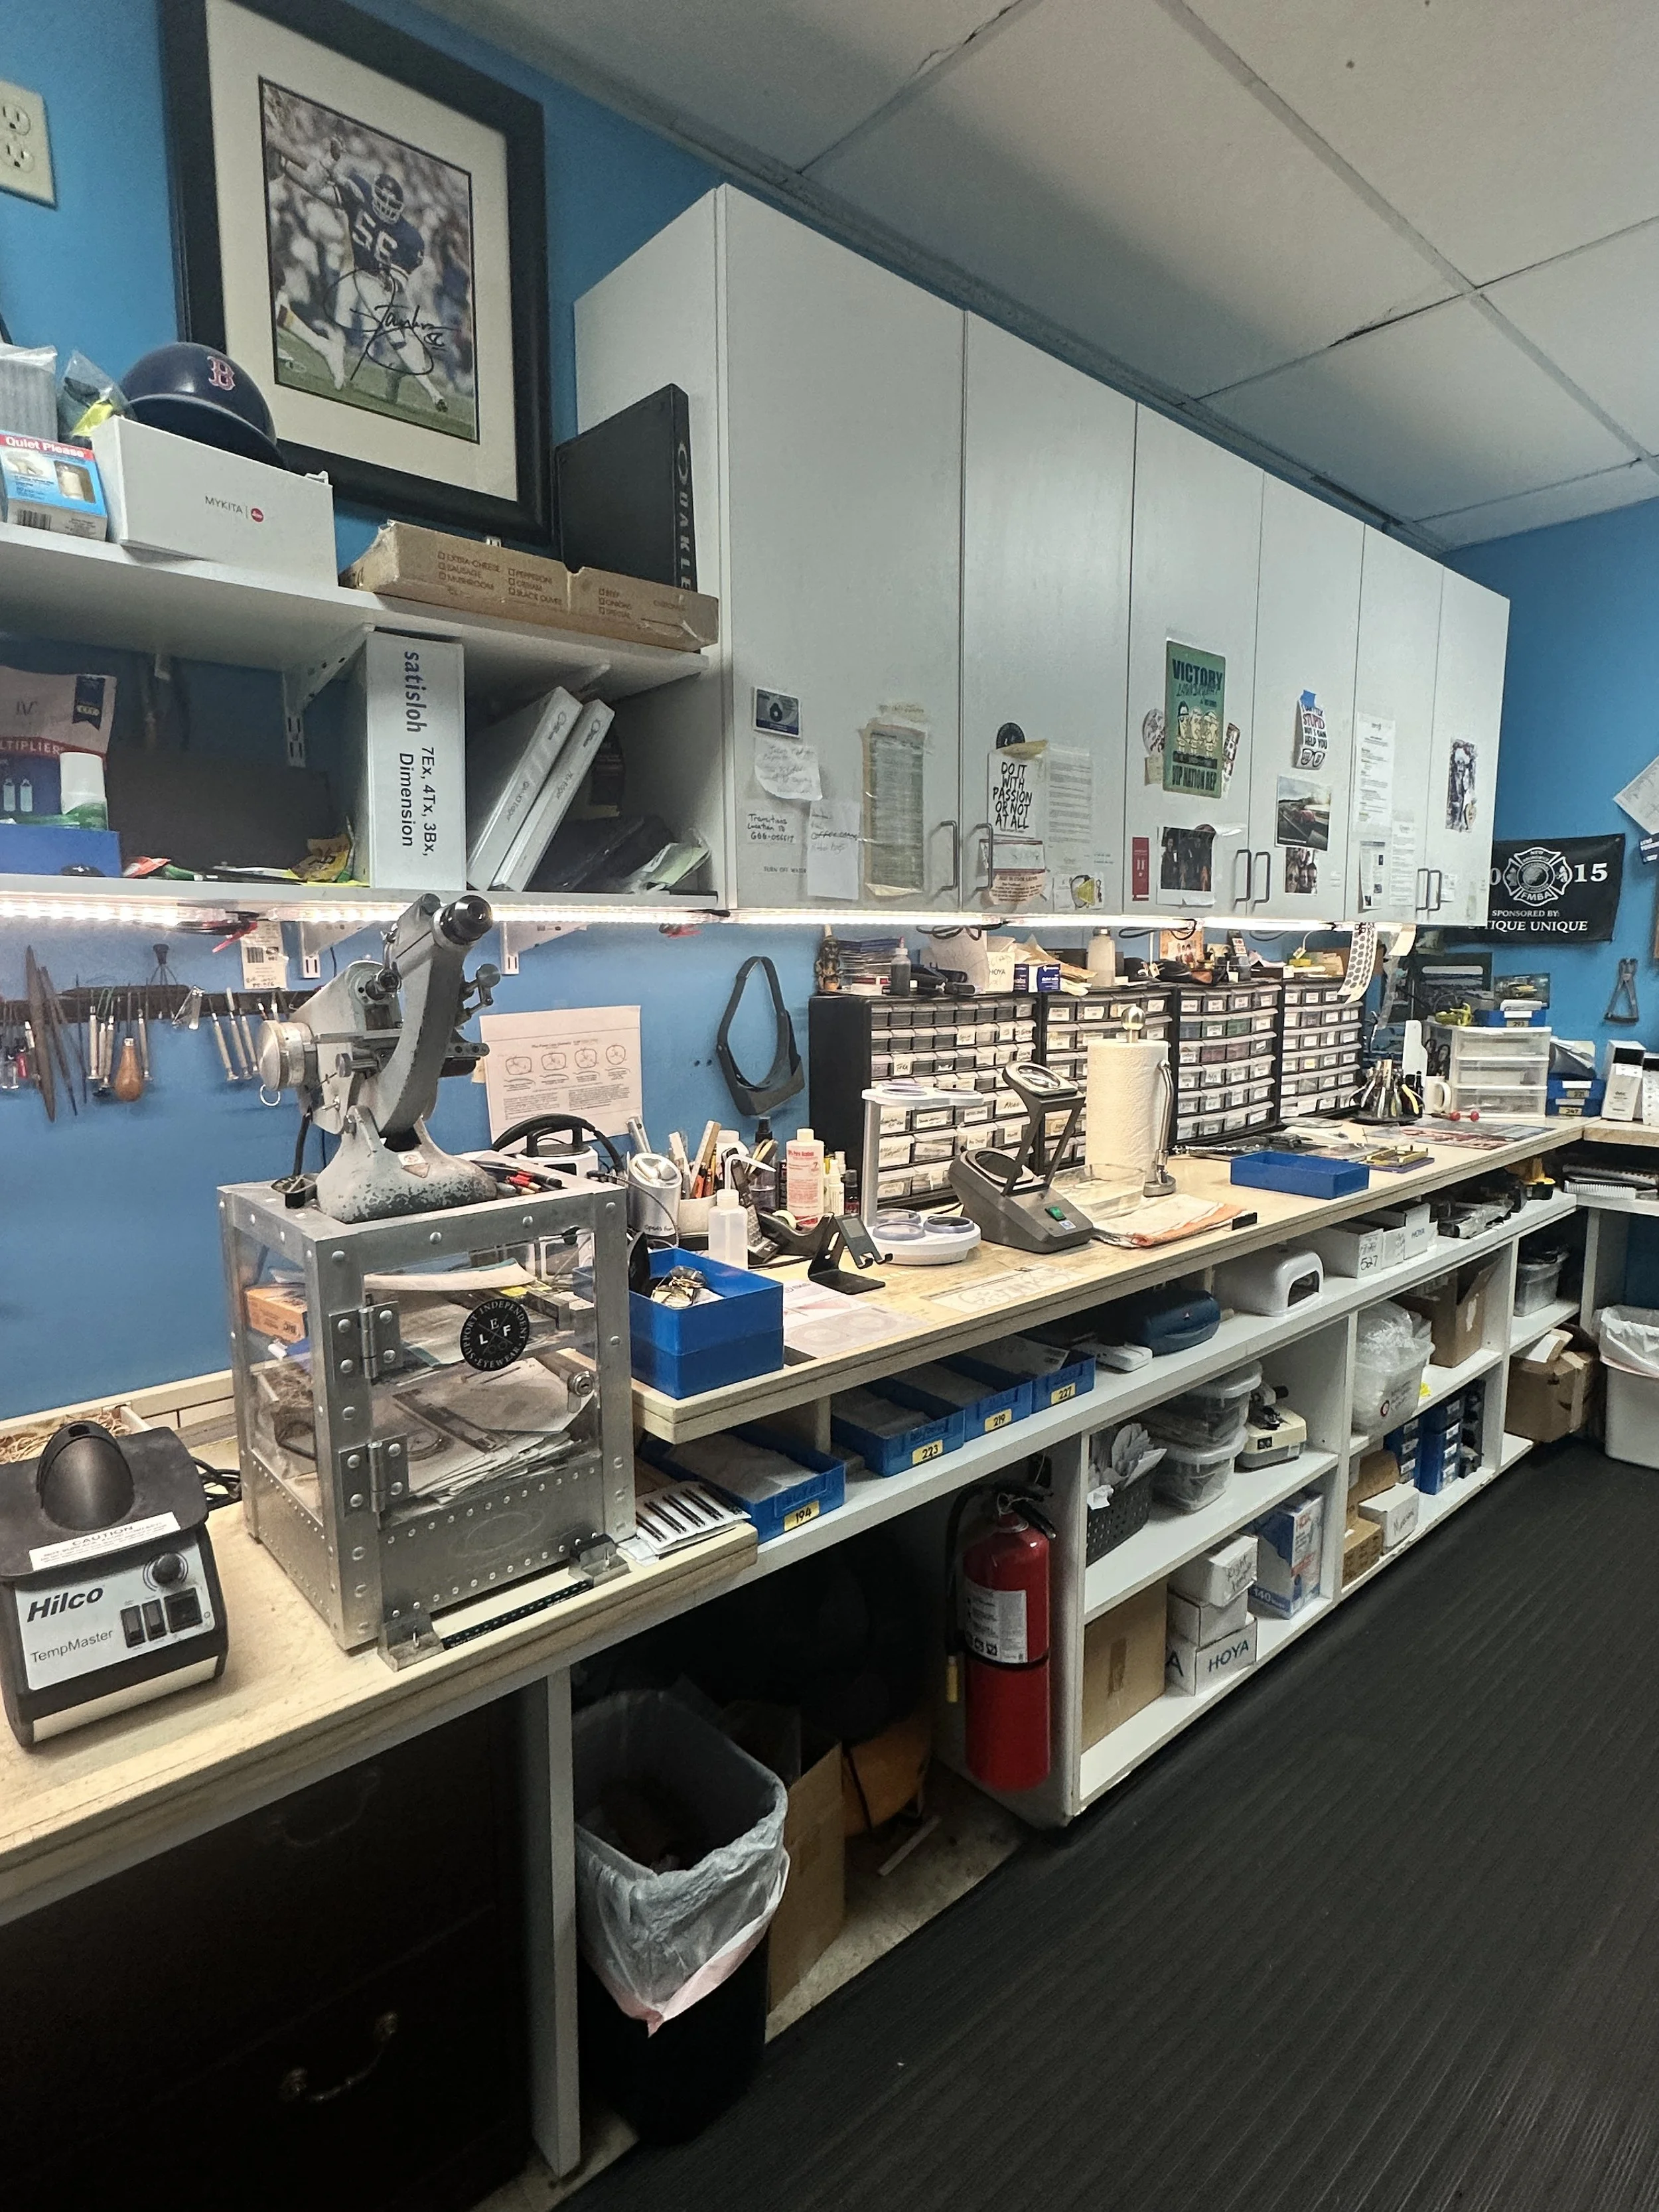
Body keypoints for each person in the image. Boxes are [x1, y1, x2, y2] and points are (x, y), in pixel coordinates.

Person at [269, 132, 450, 413]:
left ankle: (394, 374)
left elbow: (398, 279)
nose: (386, 210)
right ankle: (431, 392)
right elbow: (314, 186)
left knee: (405, 333)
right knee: (394, 333)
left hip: (389, 283)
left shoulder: (409, 236)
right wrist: (327, 163)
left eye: (393, 207)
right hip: (365, 276)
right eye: (384, 202)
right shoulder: (360, 193)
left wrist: (390, 280)